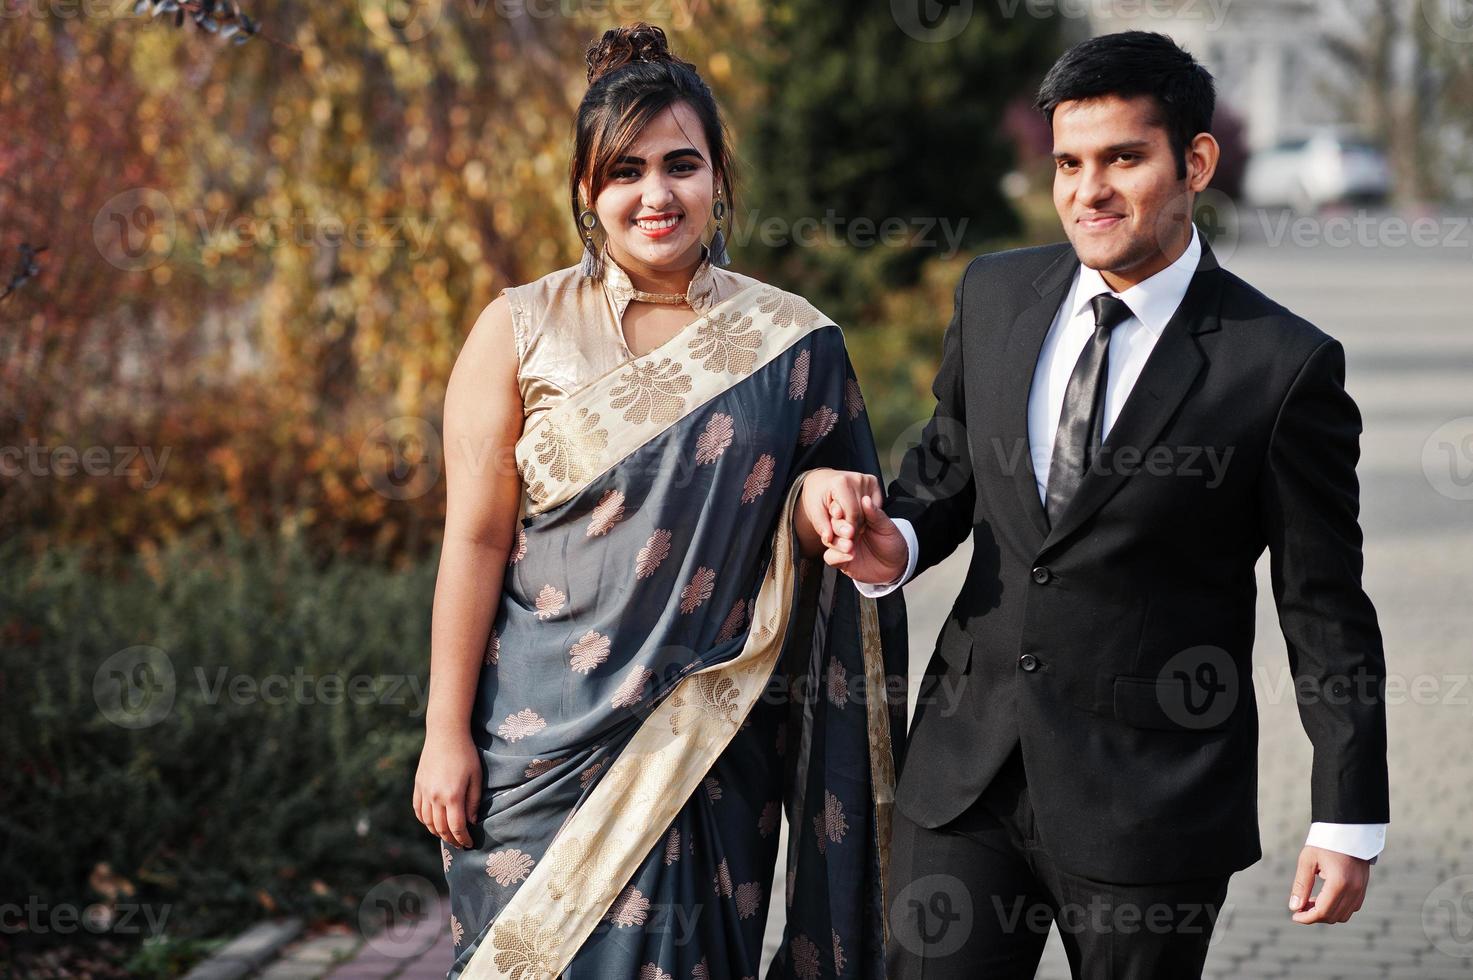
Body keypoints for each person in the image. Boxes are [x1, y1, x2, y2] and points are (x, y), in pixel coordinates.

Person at [803, 30, 1390, 979]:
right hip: (963, 774)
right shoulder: (994, 294)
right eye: (1068, 163)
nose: (1089, 190)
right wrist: (897, 541)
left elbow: (1323, 608)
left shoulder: (1279, 368)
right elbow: (945, 470)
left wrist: (1345, 813)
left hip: (1149, 802)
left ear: (1193, 161)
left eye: (1124, 157)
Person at [412, 23, 908, 980]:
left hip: (707, 741)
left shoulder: (790, 340)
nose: (655, 195)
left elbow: (818, 521)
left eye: (680, 165)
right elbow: (473, 542)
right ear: (586, 190)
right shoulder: (517, 330)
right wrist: (444, 736)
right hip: (533, 747)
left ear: (718, 176)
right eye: (624, 171)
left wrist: (824, 504)